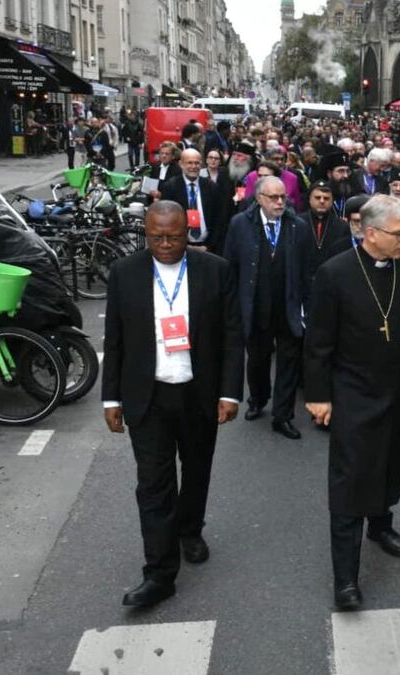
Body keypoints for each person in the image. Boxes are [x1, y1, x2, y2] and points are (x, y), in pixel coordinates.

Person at [101, 201, 244, 607]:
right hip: (148, 396)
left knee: (197, 470)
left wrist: (229, 392)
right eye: (156, 237)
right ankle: (160, 574)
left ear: (188, 232)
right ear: (146, 233)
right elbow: (115, 339)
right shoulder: (124, 273)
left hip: (198, 392)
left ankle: (190, 529)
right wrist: (111, 398)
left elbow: (232, 337)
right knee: (153, 486)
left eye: (174, 236)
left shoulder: (215, 271)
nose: (165, 244)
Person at [304, 195, 400, 611]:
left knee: (391, 465)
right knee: (349, 483)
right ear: (371, 233)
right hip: (351, 393)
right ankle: (346, 578)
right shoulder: (334, 273)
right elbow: (318, 342)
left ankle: (381, 525)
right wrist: (319, 395)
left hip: (396, 390)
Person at [223, 176, 315, 440]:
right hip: (255, 306)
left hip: (288, 307)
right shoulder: (240, 224)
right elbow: (231, 268)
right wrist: (232, 308)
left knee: (289, 361)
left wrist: (307, 309)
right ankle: (258, 398)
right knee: (258, 359)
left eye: (283, 197)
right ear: (259, 198)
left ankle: (283, 415)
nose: (279, 202)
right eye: (273, 197)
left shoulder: (298, 226)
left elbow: (307, 272)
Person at [159, 149, 228, 255]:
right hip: (181, 248)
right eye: (189, 163)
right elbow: (167, 221)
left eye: (197, 163)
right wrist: (183, 245)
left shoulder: (211, 187)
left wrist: (208, 246)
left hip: (208, 248)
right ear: (181, 164)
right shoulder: (171, 187)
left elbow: (219, 220)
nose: (194, 166)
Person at [303, 181, 353, 268]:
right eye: (317, 198)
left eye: (326, 198)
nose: (322, 201)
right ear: (309, 199)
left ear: (332, 201)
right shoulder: (298, 222)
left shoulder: (342, 226)